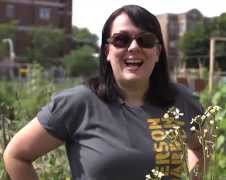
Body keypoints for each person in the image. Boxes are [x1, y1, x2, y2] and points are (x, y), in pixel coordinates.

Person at [3, 5, 203, 180]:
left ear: (158, 52)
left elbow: (199, 147)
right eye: (121, 39)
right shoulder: (79, 103)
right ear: (107, 51)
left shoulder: (181, 101)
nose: (134, 47)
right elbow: (16, 155)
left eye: (146, 40)